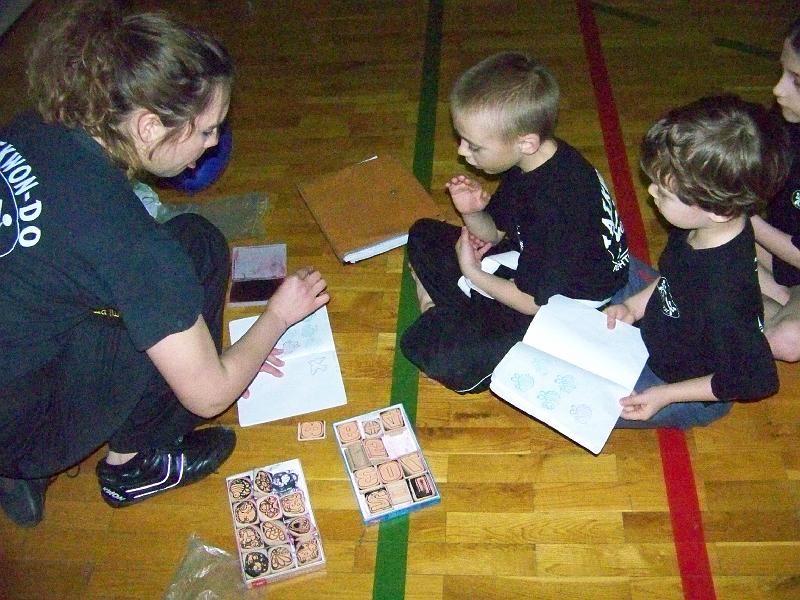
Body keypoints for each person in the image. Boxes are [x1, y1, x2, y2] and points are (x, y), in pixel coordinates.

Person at [0, 1, 328, 527]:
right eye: (207, 129)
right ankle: (132, 467)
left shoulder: (33, 128)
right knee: (198, 248)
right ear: (149, 126)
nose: (215, 143)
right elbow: (211, 396)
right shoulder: (133, 247)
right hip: (22, 431)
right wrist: (276, 318)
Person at [400, 51, 631, 393]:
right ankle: (459, 309)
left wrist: (472, 272)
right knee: (422, 233)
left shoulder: (557, 208)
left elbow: (534, 302)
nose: (462, 152)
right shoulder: (531, 161)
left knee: (436, 352)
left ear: (525, 142)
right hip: (529, 263)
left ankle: (449, 309)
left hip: (565, 304)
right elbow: (495, 232)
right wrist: (472, 212)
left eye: (474, 146)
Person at [604, 95, 787, 428]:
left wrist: (665, 396)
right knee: (599, 267)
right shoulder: (701, 226)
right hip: (667, 323)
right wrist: (632, 307)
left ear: (719, 210)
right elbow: (673, 280)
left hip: (682, 385)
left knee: (594, 403)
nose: (651, 192)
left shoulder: (723, 296)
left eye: (664, 192)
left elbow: (755, 378)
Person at [751, 17, 800, 362]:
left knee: (788, 340)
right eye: (782, 72)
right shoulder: (786, 118)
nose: (778, 90)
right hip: (781, 258)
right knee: (706, 242)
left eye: (796, 81)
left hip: (790, 257)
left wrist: (744, 217)